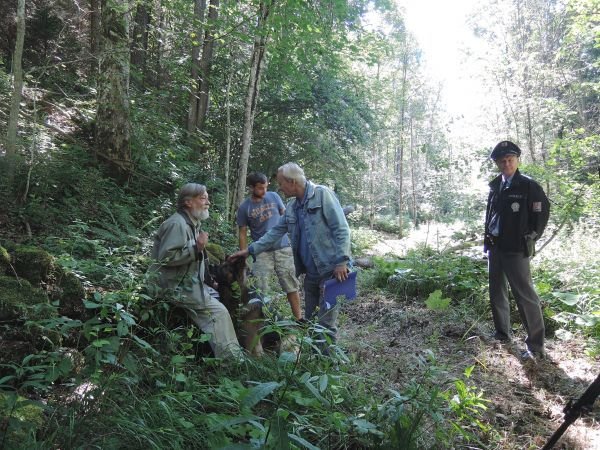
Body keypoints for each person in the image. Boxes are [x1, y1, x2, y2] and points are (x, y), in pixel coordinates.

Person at [229, 163, 351, 350]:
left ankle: (328, 368)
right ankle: (314, 361)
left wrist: (342, 260)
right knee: (311, 321)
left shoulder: (322, 194)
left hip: (332, 271)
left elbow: (341, 228)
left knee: (326, 324)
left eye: (280, 183)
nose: (279, 188)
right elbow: (274, 232)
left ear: (292, 182)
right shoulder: (293, 207)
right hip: (311, 273)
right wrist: (249, 250)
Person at [149, 183, 242, 359]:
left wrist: (209, 280)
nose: (208, 202)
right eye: (203, 198)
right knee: (219, 313)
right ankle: (233, 362)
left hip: (186, 284)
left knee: (218, 296)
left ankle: (214, 355)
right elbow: (166, 258)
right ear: (188, 202)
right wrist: (196, 247)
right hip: (174, 288)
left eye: (207, 198)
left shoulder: (191, 222)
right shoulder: (177, 224)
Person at [484, 140, 550, 361]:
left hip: (516, 249)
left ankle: (536, 345)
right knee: (497, 292)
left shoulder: (528, 186)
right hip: (495, 245)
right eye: (502, 161)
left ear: (517, 160)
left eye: (510, 159)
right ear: (497, 163)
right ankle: (502, 334)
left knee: (525, 295)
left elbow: (540, 214)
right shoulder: (496, 186)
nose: (506, 163)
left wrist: (531, 237)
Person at [236, 172, 302, 320]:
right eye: (260, 188)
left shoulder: (274, 197)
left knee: (291, 284)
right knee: (260, 289)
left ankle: (299, 319)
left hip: (283, 247)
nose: (264, 191)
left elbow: (286, 218)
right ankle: (263, 322)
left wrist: (294, 239)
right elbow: (242, 232)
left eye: (266, 187)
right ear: (251, 188)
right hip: (261, 253)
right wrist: (244, 255)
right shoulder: (245, 207)